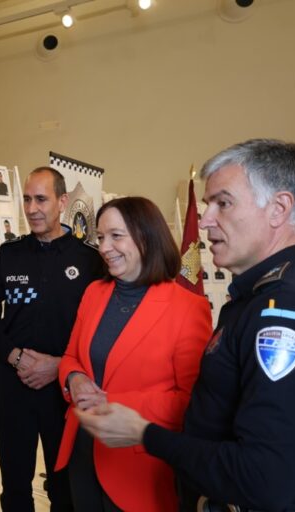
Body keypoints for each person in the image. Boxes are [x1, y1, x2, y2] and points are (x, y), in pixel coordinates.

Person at [75, 139, 295, 511]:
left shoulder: (288, 312)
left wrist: (144, 433)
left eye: (223, 203)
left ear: (279, 208)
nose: (204, 221)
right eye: (206, 205)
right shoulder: (265, 296)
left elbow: (262, 478)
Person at [56, 197, 211, 511]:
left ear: (147, 237)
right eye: (101, 237)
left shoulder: (187, 307)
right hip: (82, 450)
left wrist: (110, 402)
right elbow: (71, 356)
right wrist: (74, 378)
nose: (104, 247)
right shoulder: (94, 293)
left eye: (116, 236)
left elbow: (191, 401)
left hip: (138, 465)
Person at [0, 166, 105, 511]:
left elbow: (100, 331)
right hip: (14, 387)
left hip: (64, 390)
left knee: (65, 488)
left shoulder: (90, 260)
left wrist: (59, 366)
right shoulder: (9, 254)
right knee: (15, 486)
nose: (32, 209)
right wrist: (16, 357)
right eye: (27, 199)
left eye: (41, 199)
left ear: (62, 201)